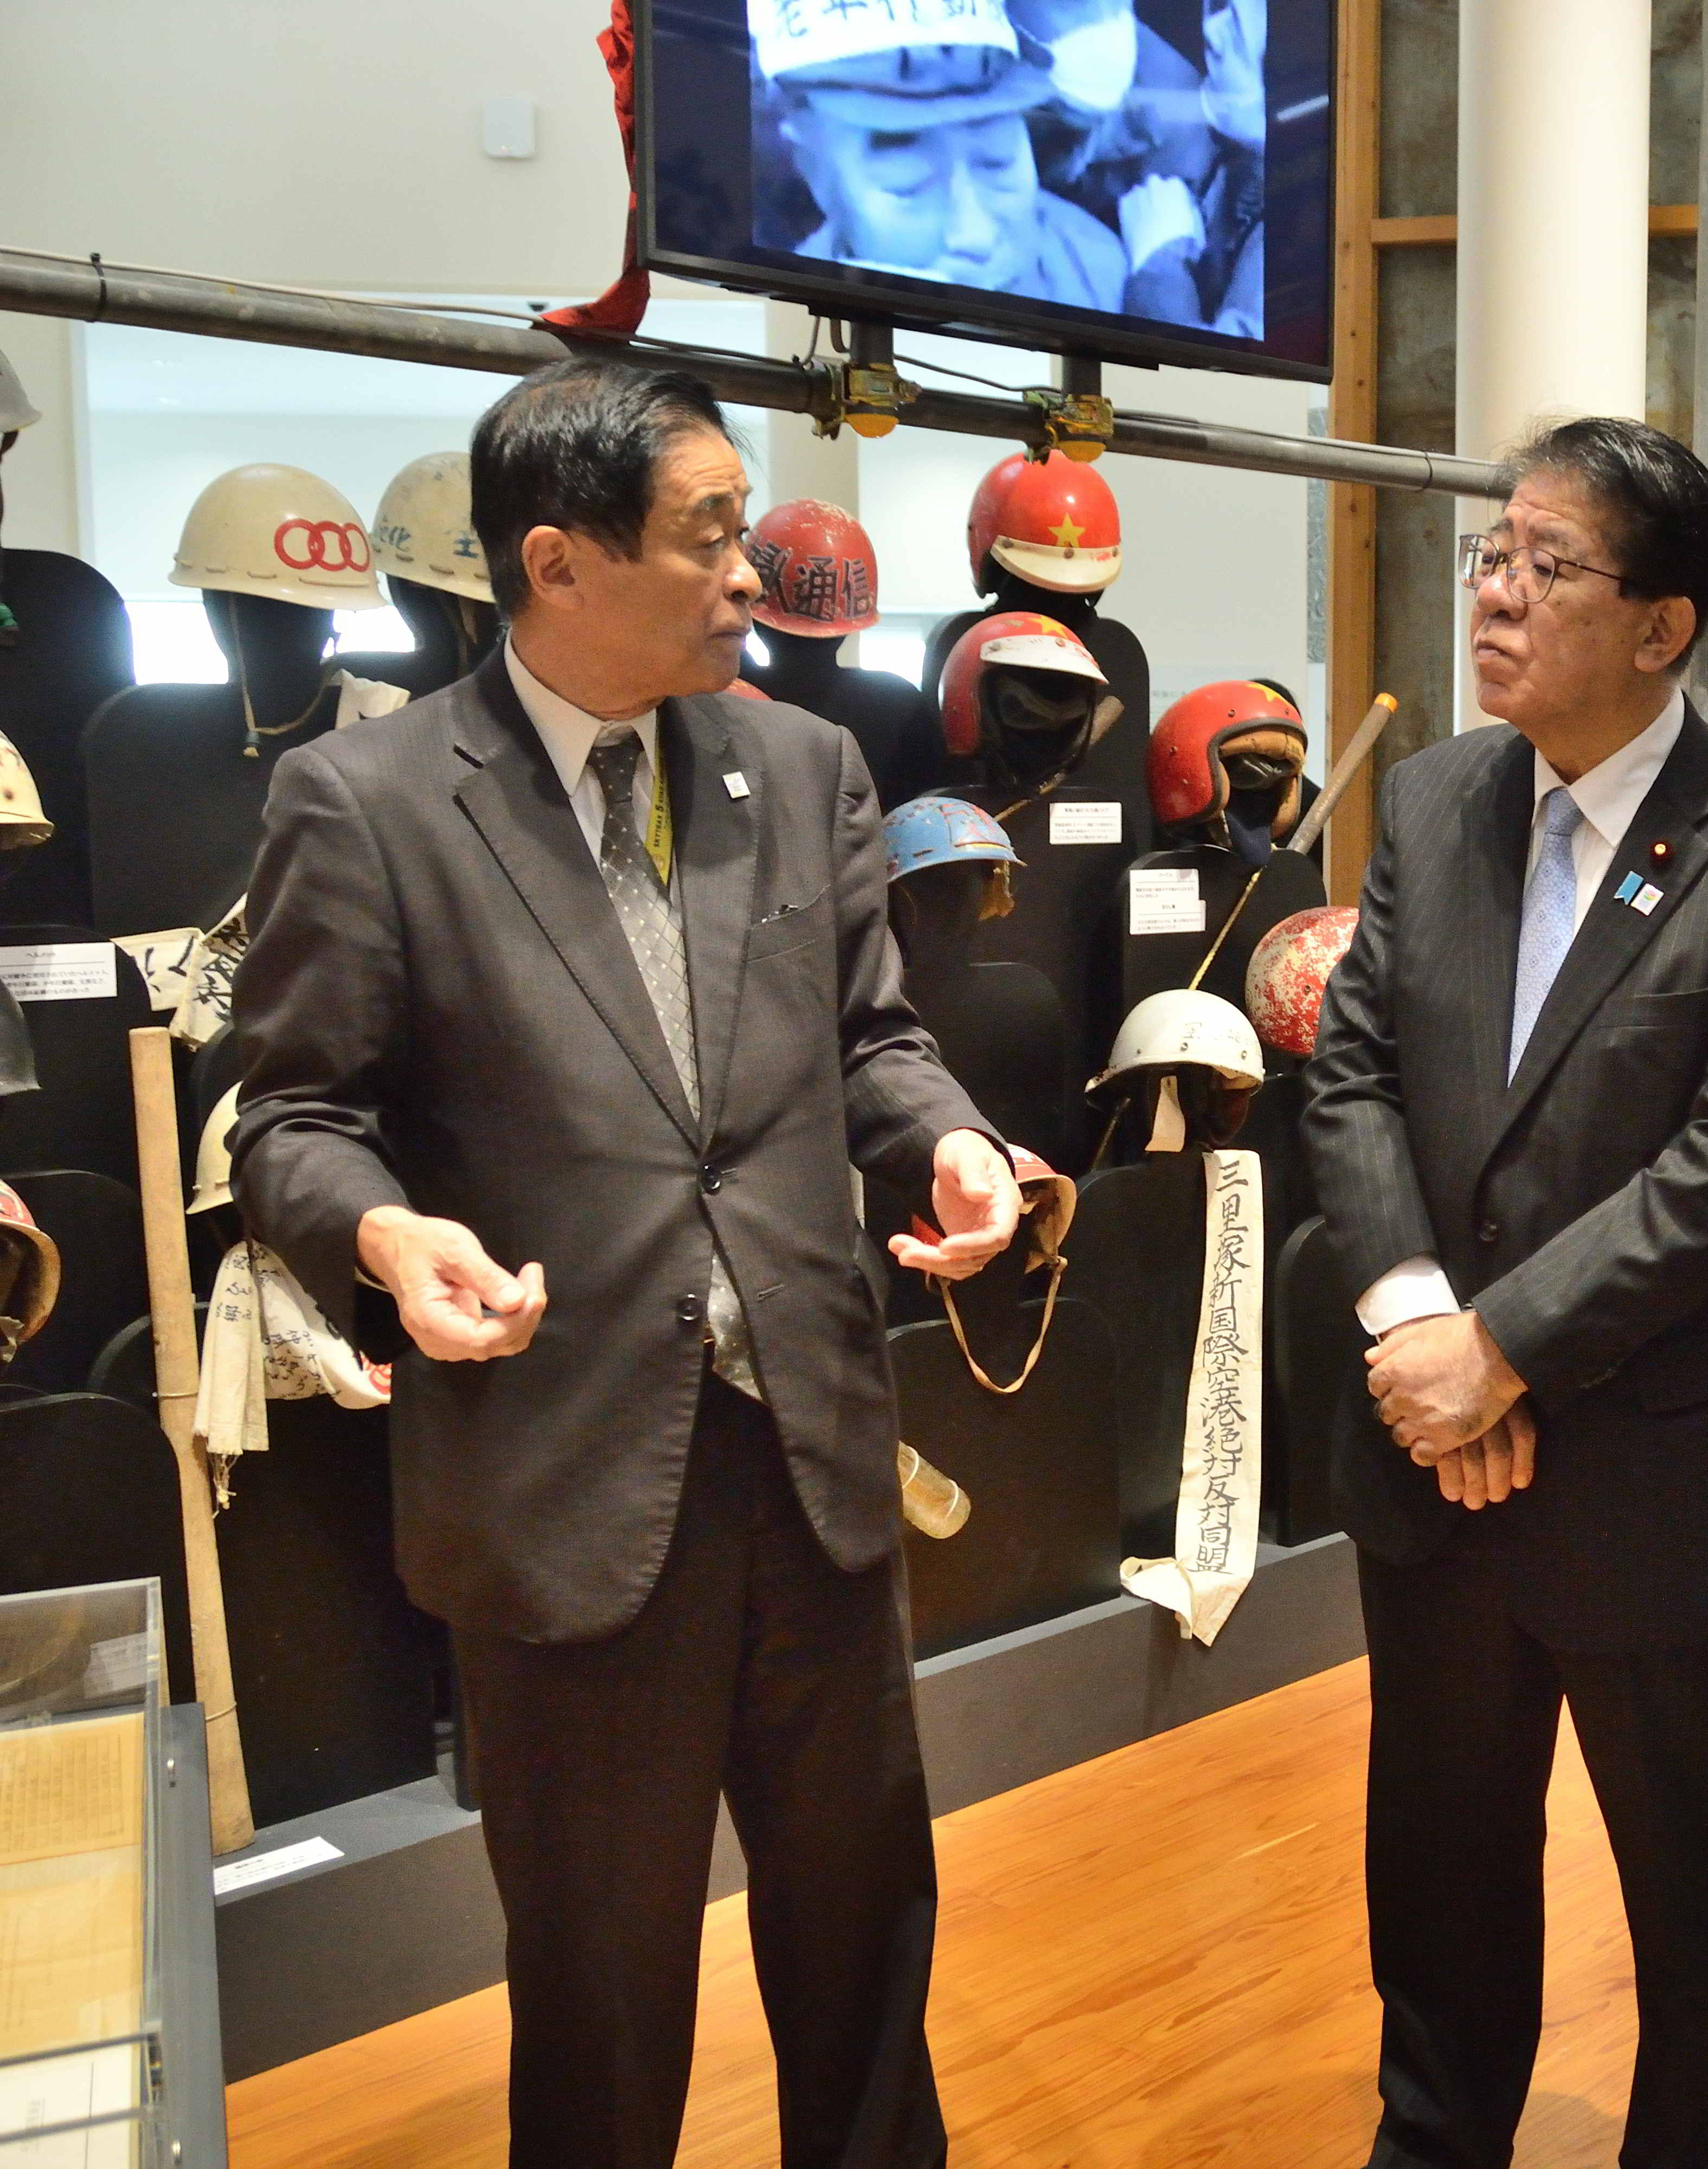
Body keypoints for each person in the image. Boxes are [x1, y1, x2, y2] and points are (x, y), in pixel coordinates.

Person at [232, 358, 1020, 2168]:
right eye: (708, 535)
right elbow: (290, 1119)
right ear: (558, 562)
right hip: (565, 1476)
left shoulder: (803, 768)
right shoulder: (370, 803)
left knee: (865, 1952)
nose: (750, 574)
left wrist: (949, 1139)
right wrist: (385, 1233)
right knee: (599, 1994)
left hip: (812, 1463)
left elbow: (871, 1041)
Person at [1301, 415, 1708, 2169]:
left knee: (1691, 1890)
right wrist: (1422, 1326)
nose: (1493, 594)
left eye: (1546, 567)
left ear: (1661, 627)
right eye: (1493, 555)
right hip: (1432, 1450)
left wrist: (1503, 1352)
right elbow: (1354, 1076)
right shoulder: (1433, 803)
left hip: (1657, 1466)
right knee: (1440, 1863)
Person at [755, 0, 1128, 309]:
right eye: (906, 186)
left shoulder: (1094, 258)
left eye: (1000, 163)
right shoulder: (789, 314)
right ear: (814, 169)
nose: (976, 235)